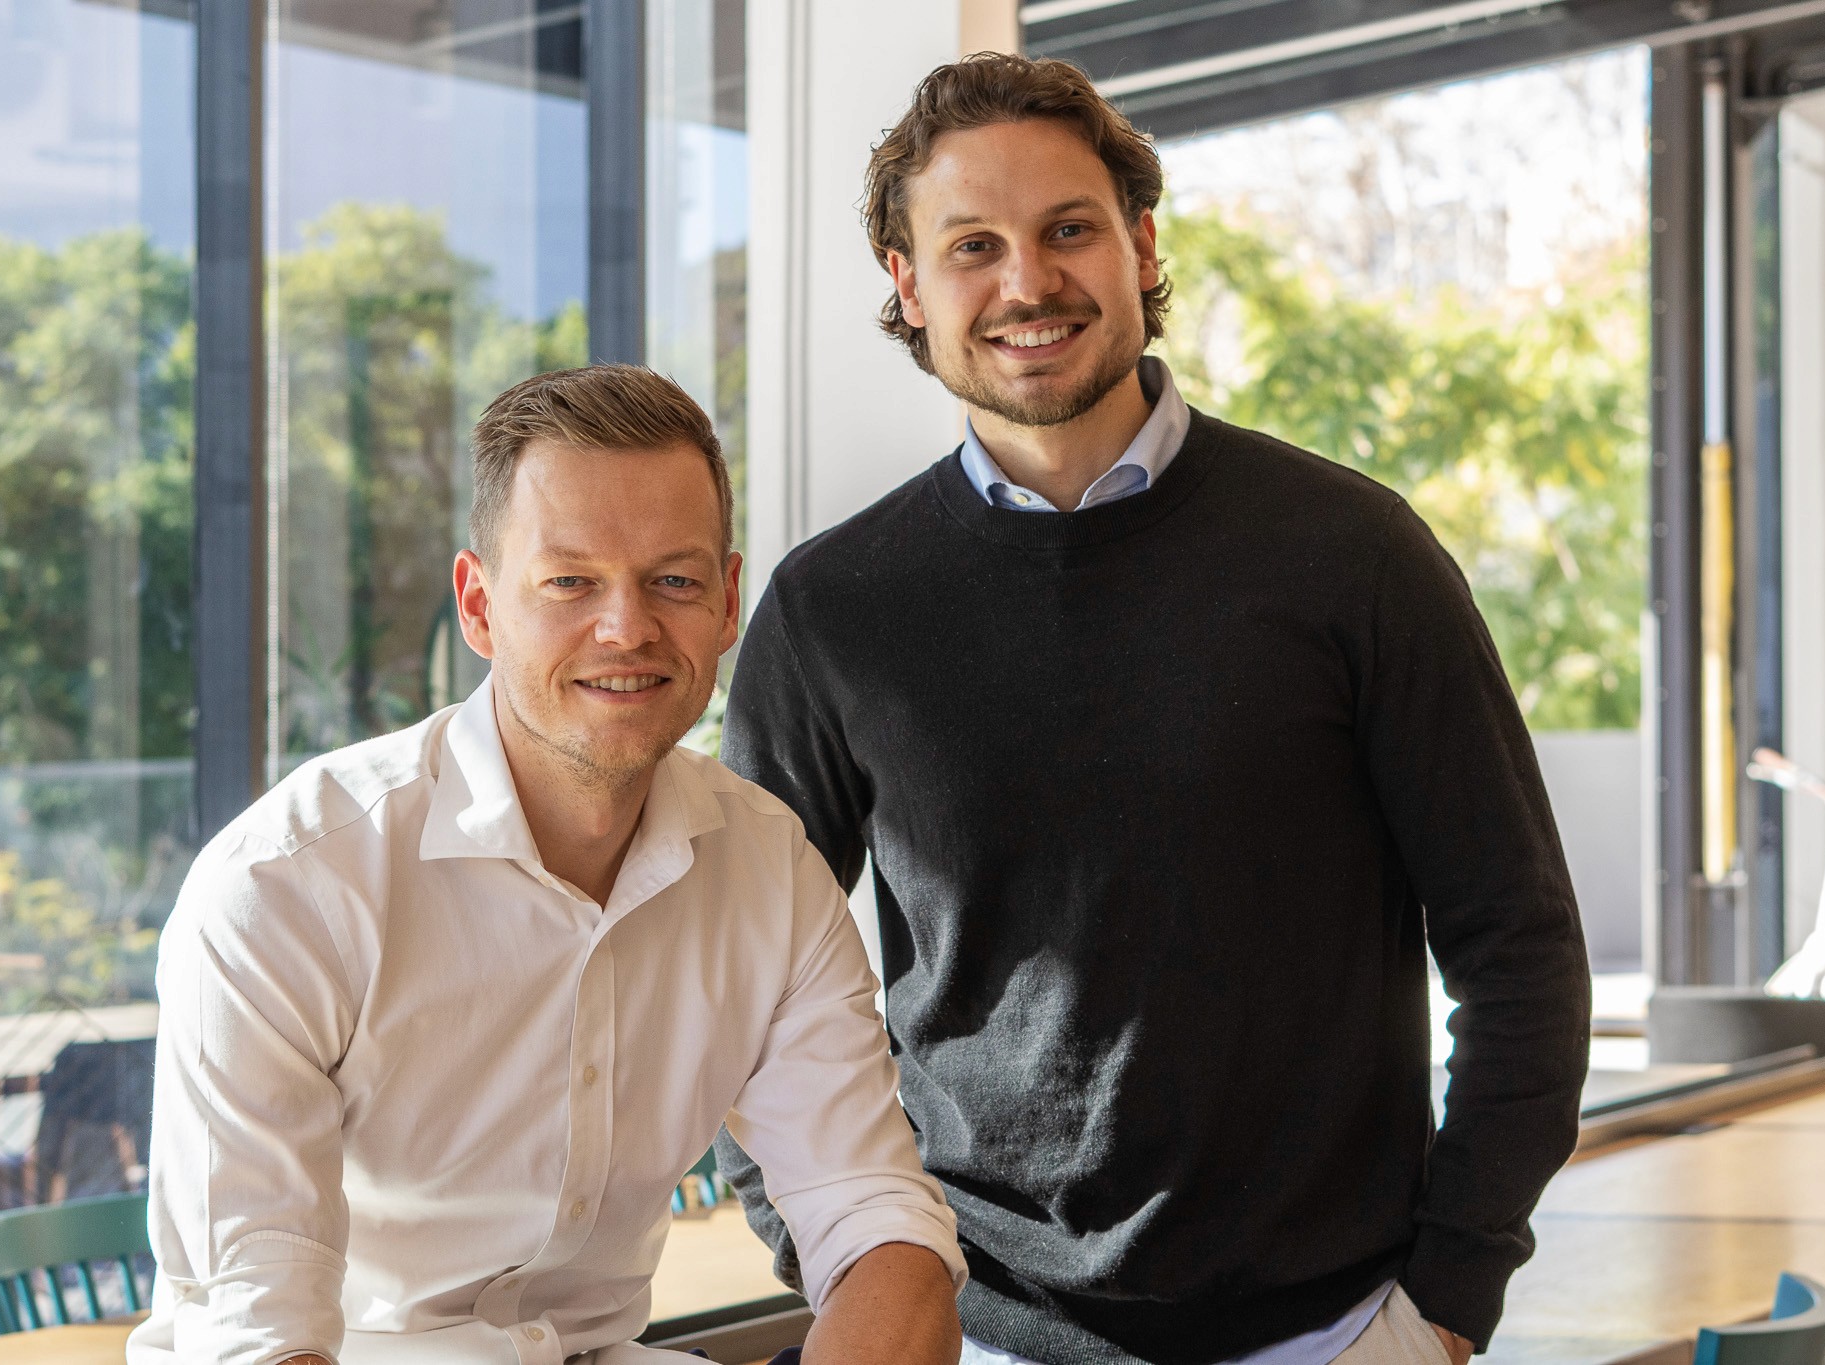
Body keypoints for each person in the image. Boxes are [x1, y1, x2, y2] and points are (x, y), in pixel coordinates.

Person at [713, 53, 1591, 1365]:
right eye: (973, 246)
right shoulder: (832, 610)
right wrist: (855, 1273)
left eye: (1068, 229)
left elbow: (1517, 948)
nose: (1027, 283)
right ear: (908, 283)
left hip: (1335, 1335)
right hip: (976, 1334)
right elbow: (737, 997)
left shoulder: (1355, 556)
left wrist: (1445, 1306)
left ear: (1139, 243)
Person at [132, 365, 966, 1365]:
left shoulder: (768, 871)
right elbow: (260, 1340)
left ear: (727, 603)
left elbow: (874, 1219)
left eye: (673, 580)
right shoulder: (286, 887)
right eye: (570, 581)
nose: (627, 628)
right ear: (479, 607)